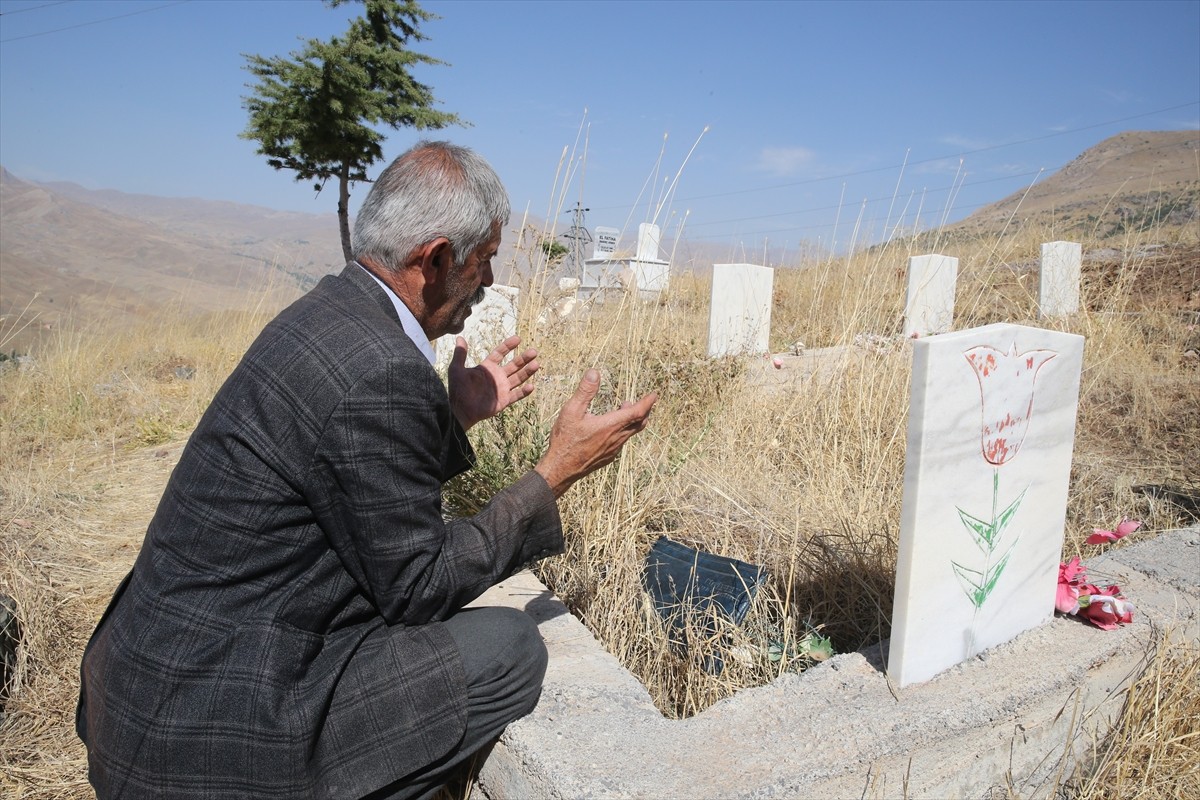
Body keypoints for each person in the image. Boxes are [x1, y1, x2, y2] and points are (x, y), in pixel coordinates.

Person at [76, 141, 658, 799]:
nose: (491, 281)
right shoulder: (382, 368)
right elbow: (419, 586)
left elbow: (343, 475)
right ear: (436, 259)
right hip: (209, 736)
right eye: (485, 259)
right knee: (508, 649)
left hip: (140, 693)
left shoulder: (328, 313)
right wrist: (555, 473)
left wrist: (453, 414)